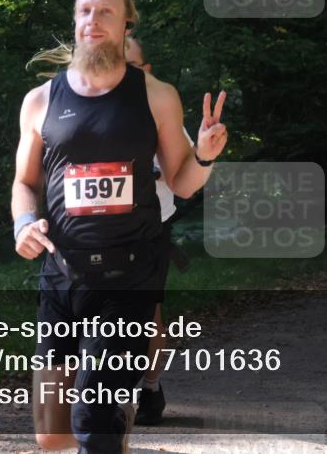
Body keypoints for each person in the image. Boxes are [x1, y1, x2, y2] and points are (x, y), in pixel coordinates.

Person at [12, 0, 227, 453]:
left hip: (130, 276)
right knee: (52, 435)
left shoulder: (156, 95)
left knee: (90, 416)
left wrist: (205, 156)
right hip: (63, 273)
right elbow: (25, 182)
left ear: (126, 22)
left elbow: (181, 181)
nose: (93, 20)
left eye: (105, 11)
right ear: (75, 20)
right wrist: (24, 223)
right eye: (85, 11)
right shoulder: (40, 101)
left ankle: (109, 418)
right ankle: (118, 416)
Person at [124, 36, 193, 426]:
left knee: (147, 312)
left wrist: (153, 172)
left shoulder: (160, 107)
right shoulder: (79, 103)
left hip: (151, 226)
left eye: (131, 65)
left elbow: (183, 175)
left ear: (146, 70)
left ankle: (150, 387)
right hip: (93, 230)